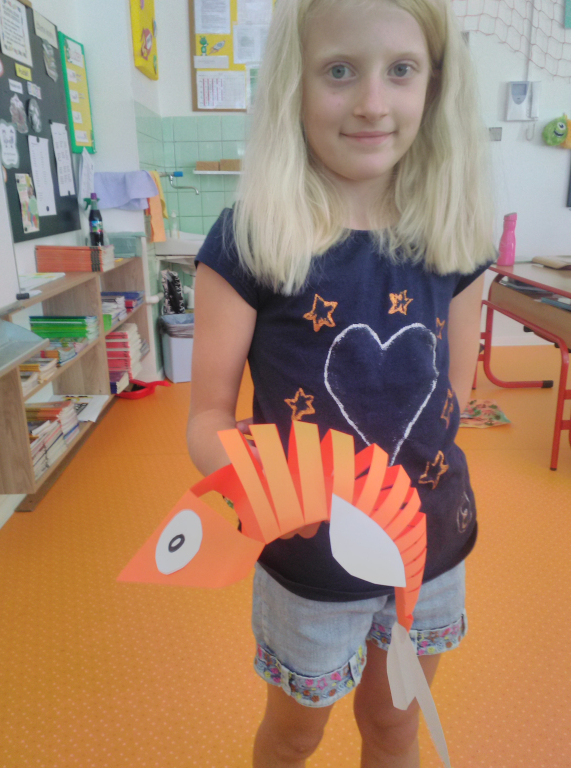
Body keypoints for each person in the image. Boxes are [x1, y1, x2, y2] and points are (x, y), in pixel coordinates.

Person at [187, 0, 496, 765]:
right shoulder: (251, 238)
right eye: (339, 71)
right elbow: (207, 418)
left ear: (435, 85)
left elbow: (451, 397)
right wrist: (255, 484)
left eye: (401, 70)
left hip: (430, 551)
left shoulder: (453, 240)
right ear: (293, 83)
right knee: (296, 734)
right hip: (311, 568)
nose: (372, 103)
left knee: (394, 727)